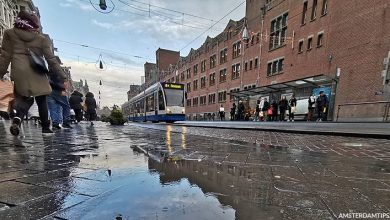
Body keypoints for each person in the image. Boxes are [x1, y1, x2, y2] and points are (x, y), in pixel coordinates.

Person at [0, 11, 66, 135]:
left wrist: (1, 72)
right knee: (41, 100)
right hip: (37, 71)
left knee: (25, 99)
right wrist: (63, 77)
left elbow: (5, 56)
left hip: (19, 70)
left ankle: (17, 119)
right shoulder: (41, 39)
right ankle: (46, 128)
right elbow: (51, 59)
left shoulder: (9, 33)